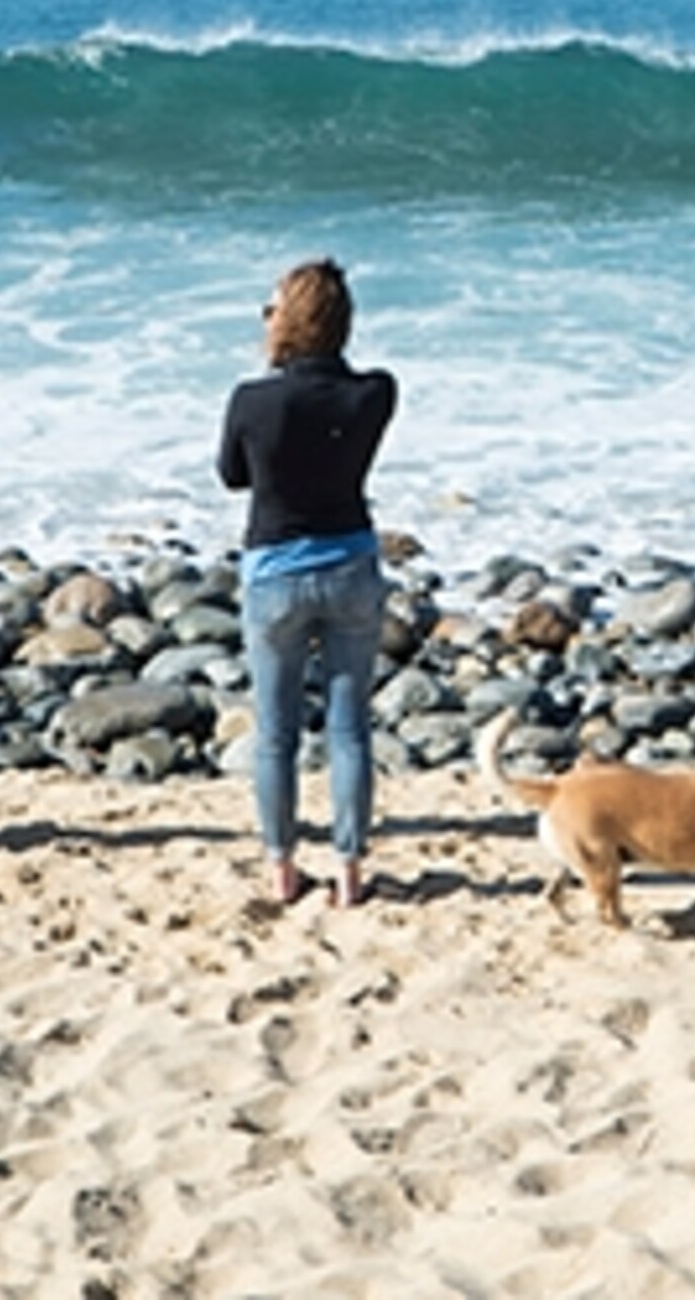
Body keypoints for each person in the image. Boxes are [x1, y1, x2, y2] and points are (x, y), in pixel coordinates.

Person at [219, 259, 399, 908]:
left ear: (286, 321)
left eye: (272, 310)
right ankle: (349, 872)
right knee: (349, 730)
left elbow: (232, 474)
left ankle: (282, 869)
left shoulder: (253, 399)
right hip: (350, 562)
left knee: (277, 733)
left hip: (274, 572)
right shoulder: (375, 391)